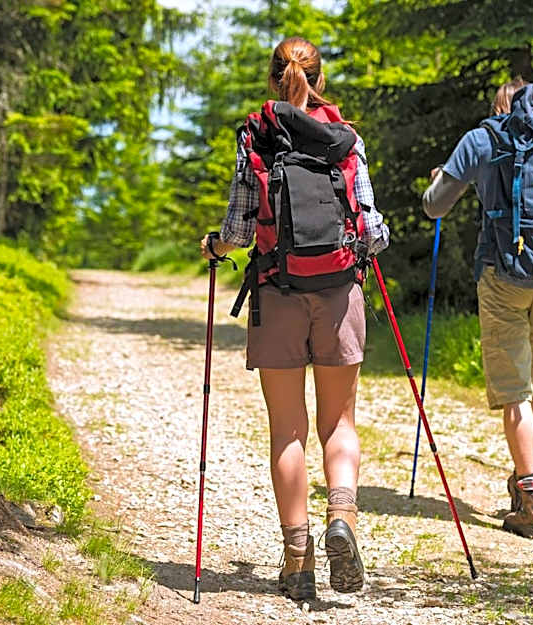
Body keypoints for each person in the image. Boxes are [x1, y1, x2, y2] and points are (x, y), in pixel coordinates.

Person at [200, 36, 389, 599]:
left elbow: (239, 228)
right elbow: (372, 228)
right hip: (338, 294)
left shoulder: (255, 137)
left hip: (276, 291)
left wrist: (216, 247)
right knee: (339, 424)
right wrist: (363, 248)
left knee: (288, 429)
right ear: (320, 79)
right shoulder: (347, 140)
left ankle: (297, 559)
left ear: (272, 80)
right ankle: (343, 519)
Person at [421, 78, 533, 540]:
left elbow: (435, 207)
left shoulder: (482, 138)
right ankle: (529, 481)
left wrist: (438, 181)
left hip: (502, 273)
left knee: (514, 391)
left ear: (500, 105)